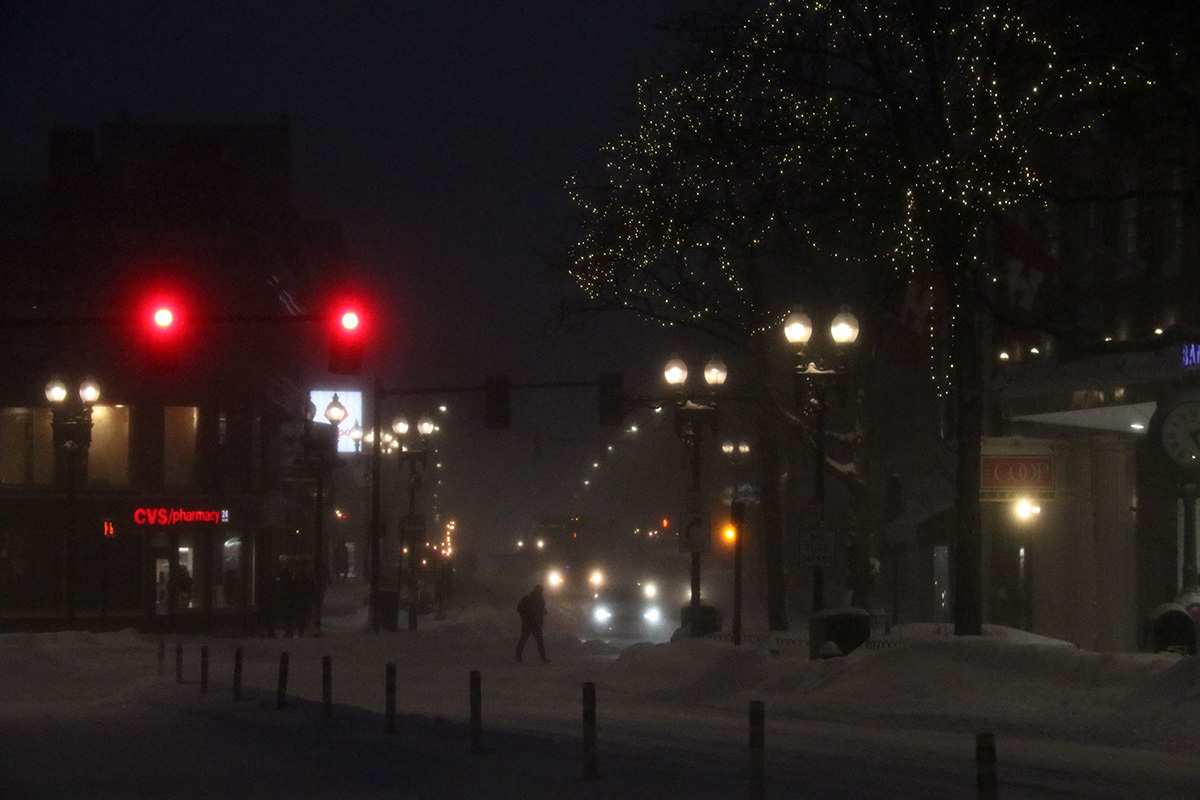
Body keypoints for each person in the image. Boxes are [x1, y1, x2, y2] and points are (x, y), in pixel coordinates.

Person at [515, 584, 549, 663]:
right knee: (536, 642)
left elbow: (520, 608)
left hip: (531, 623)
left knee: (525, 641)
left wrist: (542, 612)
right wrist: (525, 616)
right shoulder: (530, 599)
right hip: (531, 623)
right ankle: (542, 658)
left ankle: (518, 657)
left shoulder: (531, 599)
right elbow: (520, 608)